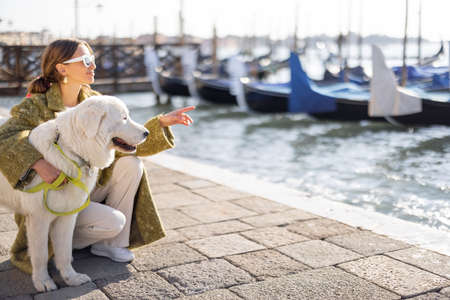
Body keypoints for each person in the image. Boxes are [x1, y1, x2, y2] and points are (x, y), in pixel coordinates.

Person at [0, 38, 194, 273]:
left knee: (131, 163)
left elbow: (125, 142)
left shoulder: (96, 100)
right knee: (112, 221)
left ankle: (111, 244)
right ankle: (58, 243)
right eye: (85, 60)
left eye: (92, 59)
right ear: (62, 68)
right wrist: (39, 163)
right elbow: (5, 138)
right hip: (53, 194)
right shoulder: (36, 105)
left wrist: (160, 123)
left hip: (86, 188)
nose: (92, 65)